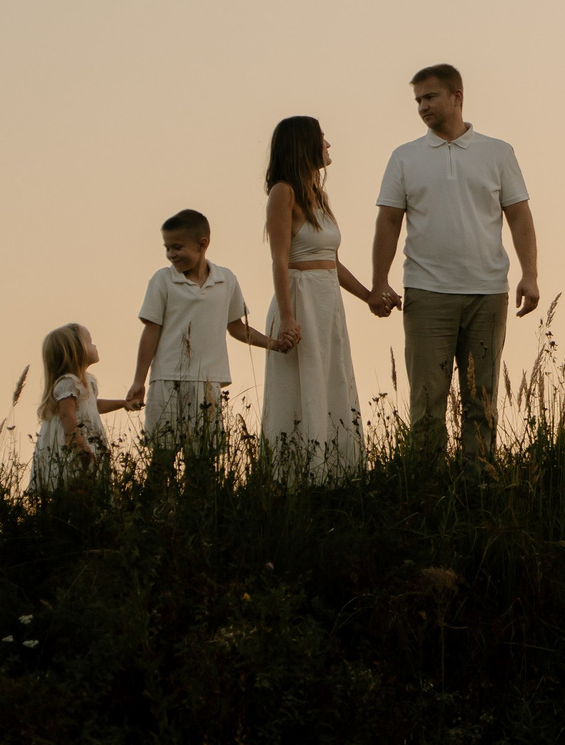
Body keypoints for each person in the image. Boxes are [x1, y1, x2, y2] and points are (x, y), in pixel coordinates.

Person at [373, 64, 537, 461]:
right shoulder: (404, 157)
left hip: (488, 292)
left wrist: (530, 275)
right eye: (418, 100)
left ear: (457, 97)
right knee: (427, 401)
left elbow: (519, 215)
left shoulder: (498, 152)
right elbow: (388, 221)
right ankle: (426, 484)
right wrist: (379, 281)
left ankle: (480, 484)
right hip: (427, 292)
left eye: (430, 97)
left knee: (482, 400)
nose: (422, 107)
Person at [258, 117, 385, 478]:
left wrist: (369, 297)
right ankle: (294, 476)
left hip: (328, 301)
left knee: (332, 381)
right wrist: (287, 317)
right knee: (301, 386)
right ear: (304, 145)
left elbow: (333, 263)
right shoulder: (283, 193)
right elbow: (280, 260)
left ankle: (335, 474)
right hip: (300, 299)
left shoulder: (320, 197)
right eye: (322, 138)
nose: (328, 145)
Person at [119, 208, 280, 473]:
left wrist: (272, 344)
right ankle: (157, 502)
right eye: (167, 248)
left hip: (207, 383)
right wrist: (139, 380)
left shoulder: (226, 280)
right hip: (167, 379)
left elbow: (237, 328)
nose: (171, 254)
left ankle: (199, 501)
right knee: (162, 459)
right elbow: (151, 330)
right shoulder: (162, 280)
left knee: (202, 462)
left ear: (202, 244)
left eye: (177, 247)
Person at [27, 322, 134, 494]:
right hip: (75, 443)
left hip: (88, 440)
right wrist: (79, 443)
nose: (94, 345)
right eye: (90, 342)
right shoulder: (68, 383)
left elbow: (93, 406)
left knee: (89, 486)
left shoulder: (87, 381)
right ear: (77, 351)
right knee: (76, 484)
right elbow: (66, 415)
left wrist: (123, 403)